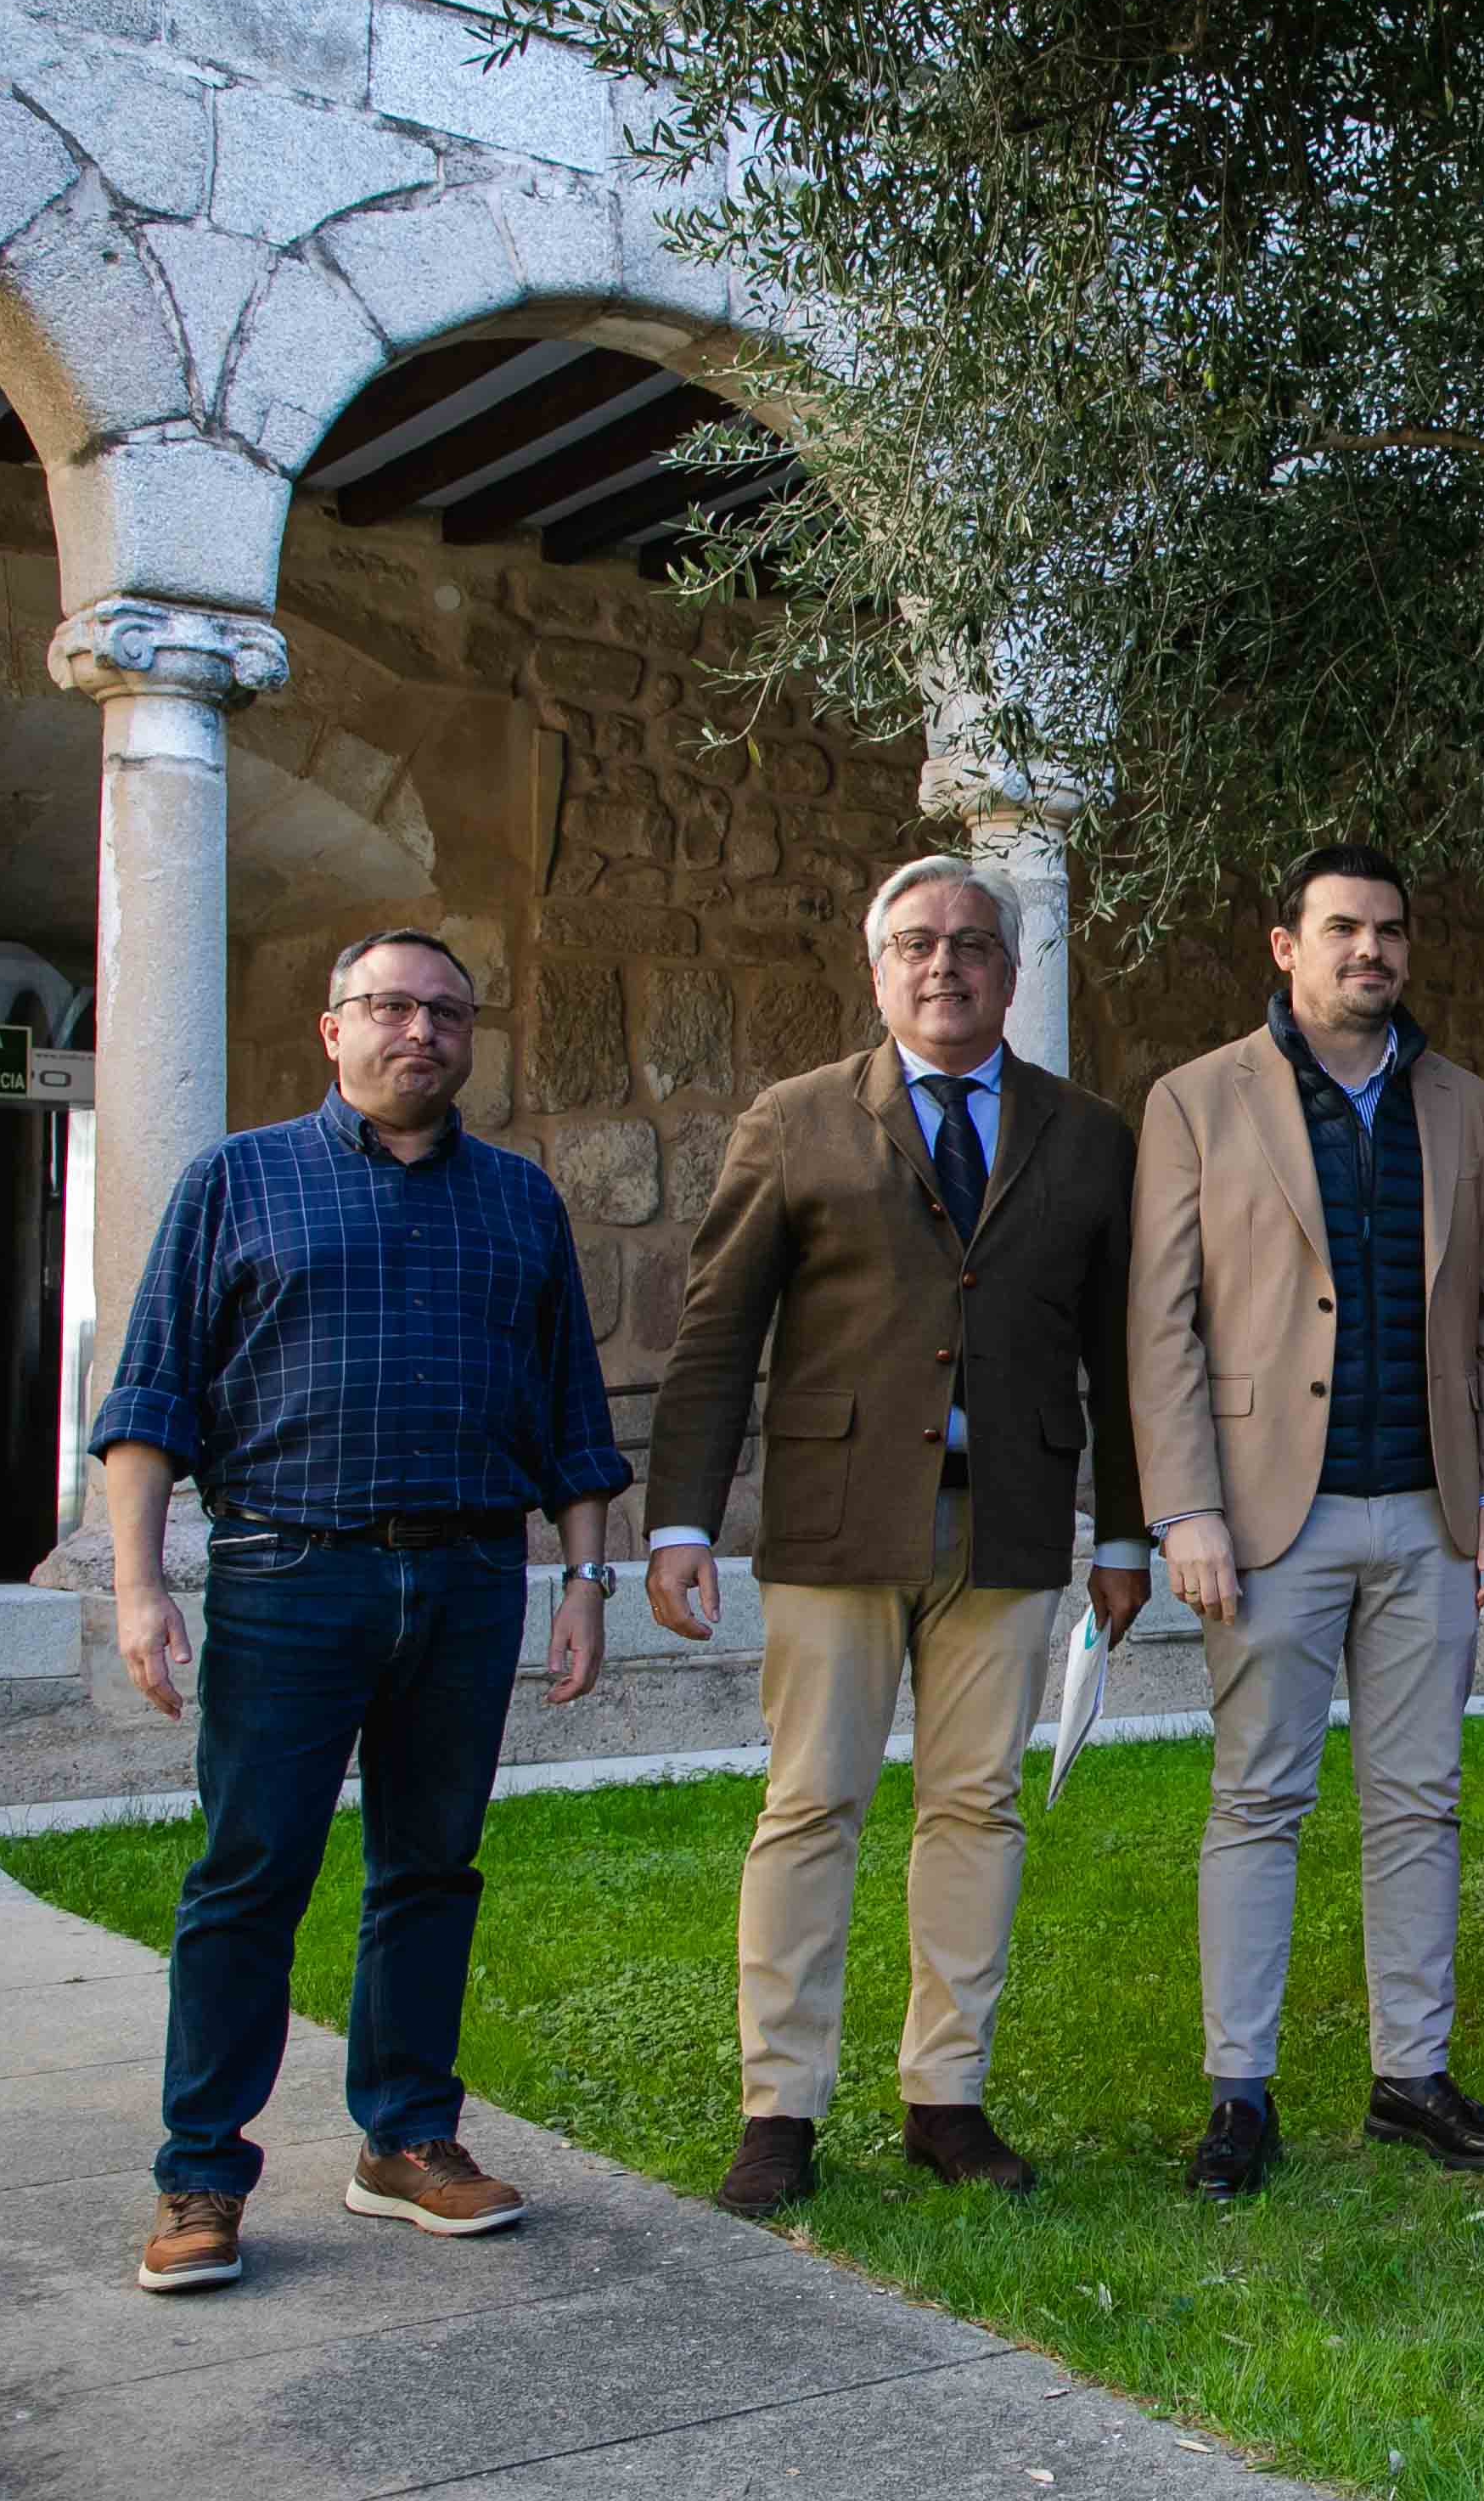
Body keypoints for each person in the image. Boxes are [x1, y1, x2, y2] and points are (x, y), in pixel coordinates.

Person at [90, 928, 627, 2295]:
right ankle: (200, 2167)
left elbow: (569, 1408)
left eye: (447, 1012)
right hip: (288, 1574)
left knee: (431, 1869)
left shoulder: (519, 1201)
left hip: (463, 1578)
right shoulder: (235, 1179)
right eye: (391, 1006)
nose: (422, 1032)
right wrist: (139, 1582)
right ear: (333, 1029)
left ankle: (406, 2139)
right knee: (247, 1875)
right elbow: (150, 1393)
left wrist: (581, 1577)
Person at [641, 857, 1150, 2216]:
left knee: (975, 1805)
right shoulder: (794, 1119)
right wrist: (681, 1517)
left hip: (1017, 1522)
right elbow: (716, 1331)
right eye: (917, 944)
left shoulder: (1088, 1135)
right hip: (832, 1519)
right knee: (810, 1804)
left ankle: (945, 2096)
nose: (945, 965)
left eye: (973, 944)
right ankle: (778, 2109)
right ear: (876, 970)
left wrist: (1130, 1530)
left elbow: (1122, 1352)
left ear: (1011, 968)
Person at [1131, 843, 1484, 2198]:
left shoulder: (1467, 1105)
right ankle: (1237, 2092)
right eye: (1342, 928)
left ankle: (1409, 2075)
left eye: (1390, 930)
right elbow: (1162, 1321)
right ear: (1281, 945)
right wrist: (1182, 1502)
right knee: (1258, 1797)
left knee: (1420, 1799)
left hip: (1423, 1508)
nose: (1371, 950)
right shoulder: (1196, 1100)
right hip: (1264, 1515)